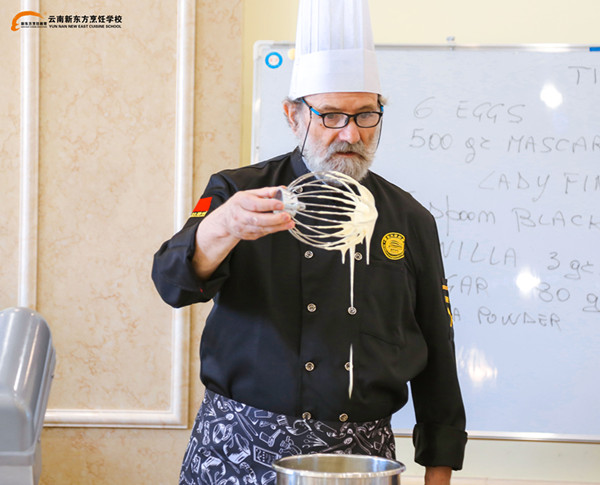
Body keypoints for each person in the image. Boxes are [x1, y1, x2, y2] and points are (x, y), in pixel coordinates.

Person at [152, 1, 467, 484]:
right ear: (293, 115)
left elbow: (437, 353)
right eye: (331, 115)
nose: (351, 133)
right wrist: (224, 226)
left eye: (366, 115)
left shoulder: (409, 219)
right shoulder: (238, 192)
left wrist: (438, 472)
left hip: (360, 457)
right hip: (237, 447)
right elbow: (172, 284)